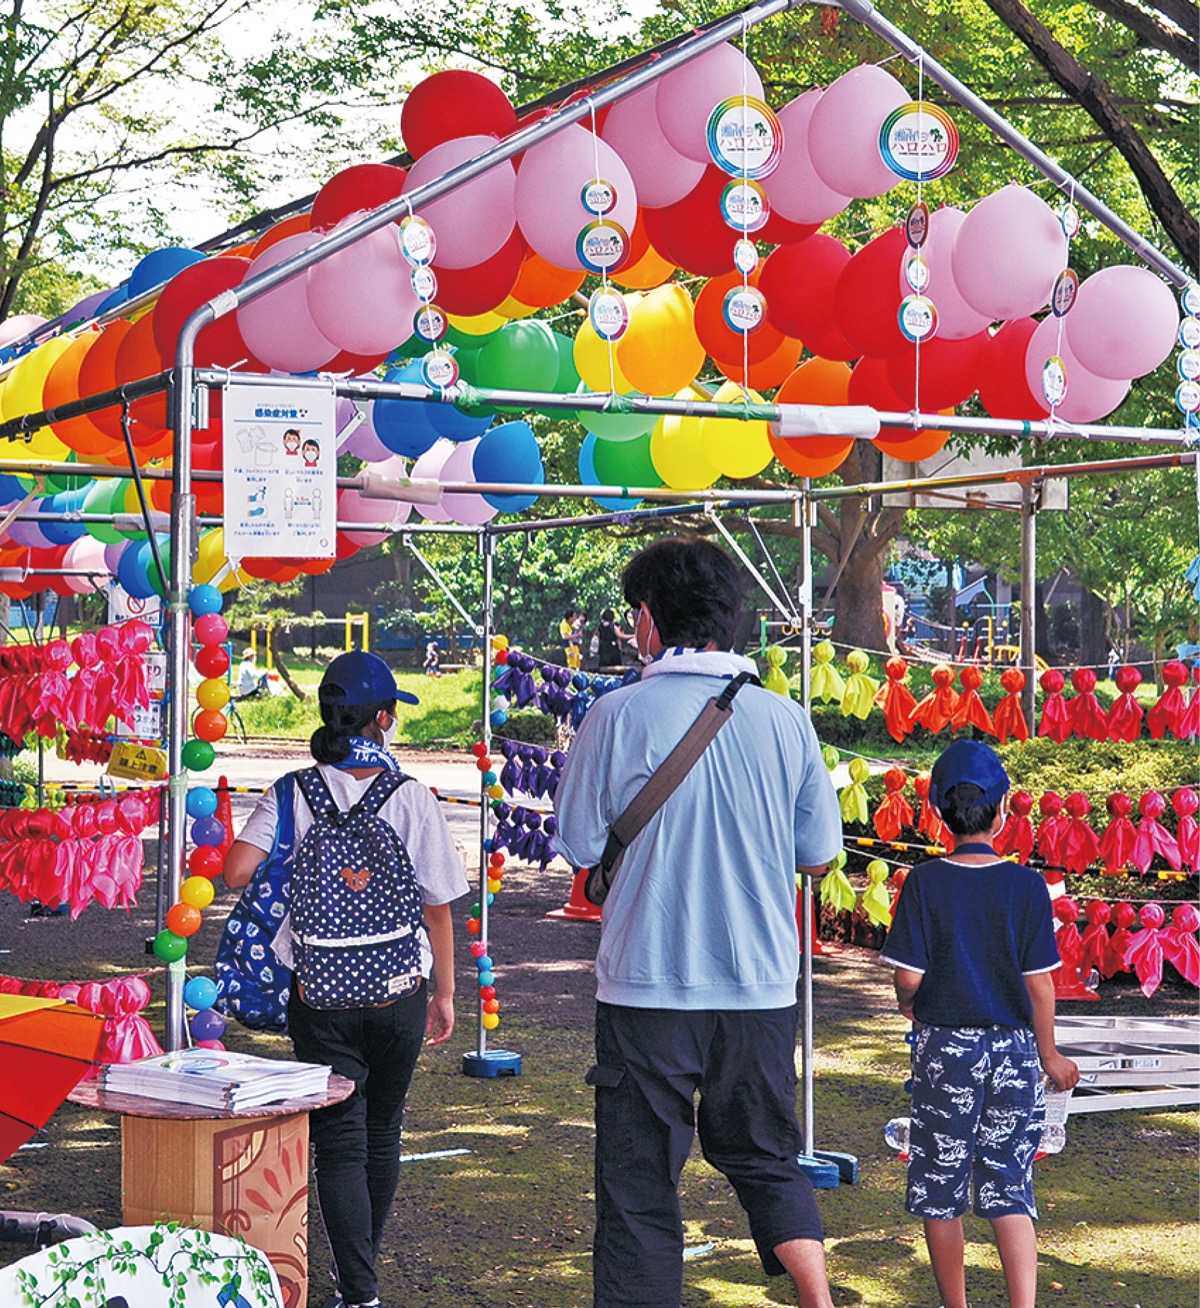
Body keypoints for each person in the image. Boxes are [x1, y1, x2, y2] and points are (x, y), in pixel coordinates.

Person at [553, 537, 842, 1308]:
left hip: (646, 984)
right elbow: (818, 855)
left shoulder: (612, 714)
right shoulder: (787, 720)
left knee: (638, 1182)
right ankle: (816, 1297)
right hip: (759, 987)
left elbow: (581, 846)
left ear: (647, 620)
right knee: (769, 1158)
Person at [223, 651, 467, 1308]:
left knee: (339, 1139)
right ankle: (360, 1271)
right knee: (382, 1129)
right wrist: (444, 992)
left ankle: (359, 1289)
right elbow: (439, 907)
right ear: (384, 719)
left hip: (320, 998)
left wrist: (291, 861)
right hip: (399, 993)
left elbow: (237, 872)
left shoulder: (292, 792)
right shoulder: (412, 797)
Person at [881, 739, 1080, 1308]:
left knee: (940, 1189)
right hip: (1016, 1054)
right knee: (1011, 1185)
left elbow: (909, 980)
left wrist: (908, 1004)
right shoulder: (1025, 886)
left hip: (944, 1050)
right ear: (1002, 808)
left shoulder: (923, 882)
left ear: (939, 812)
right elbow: (1040, 982)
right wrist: (1050, 1056)